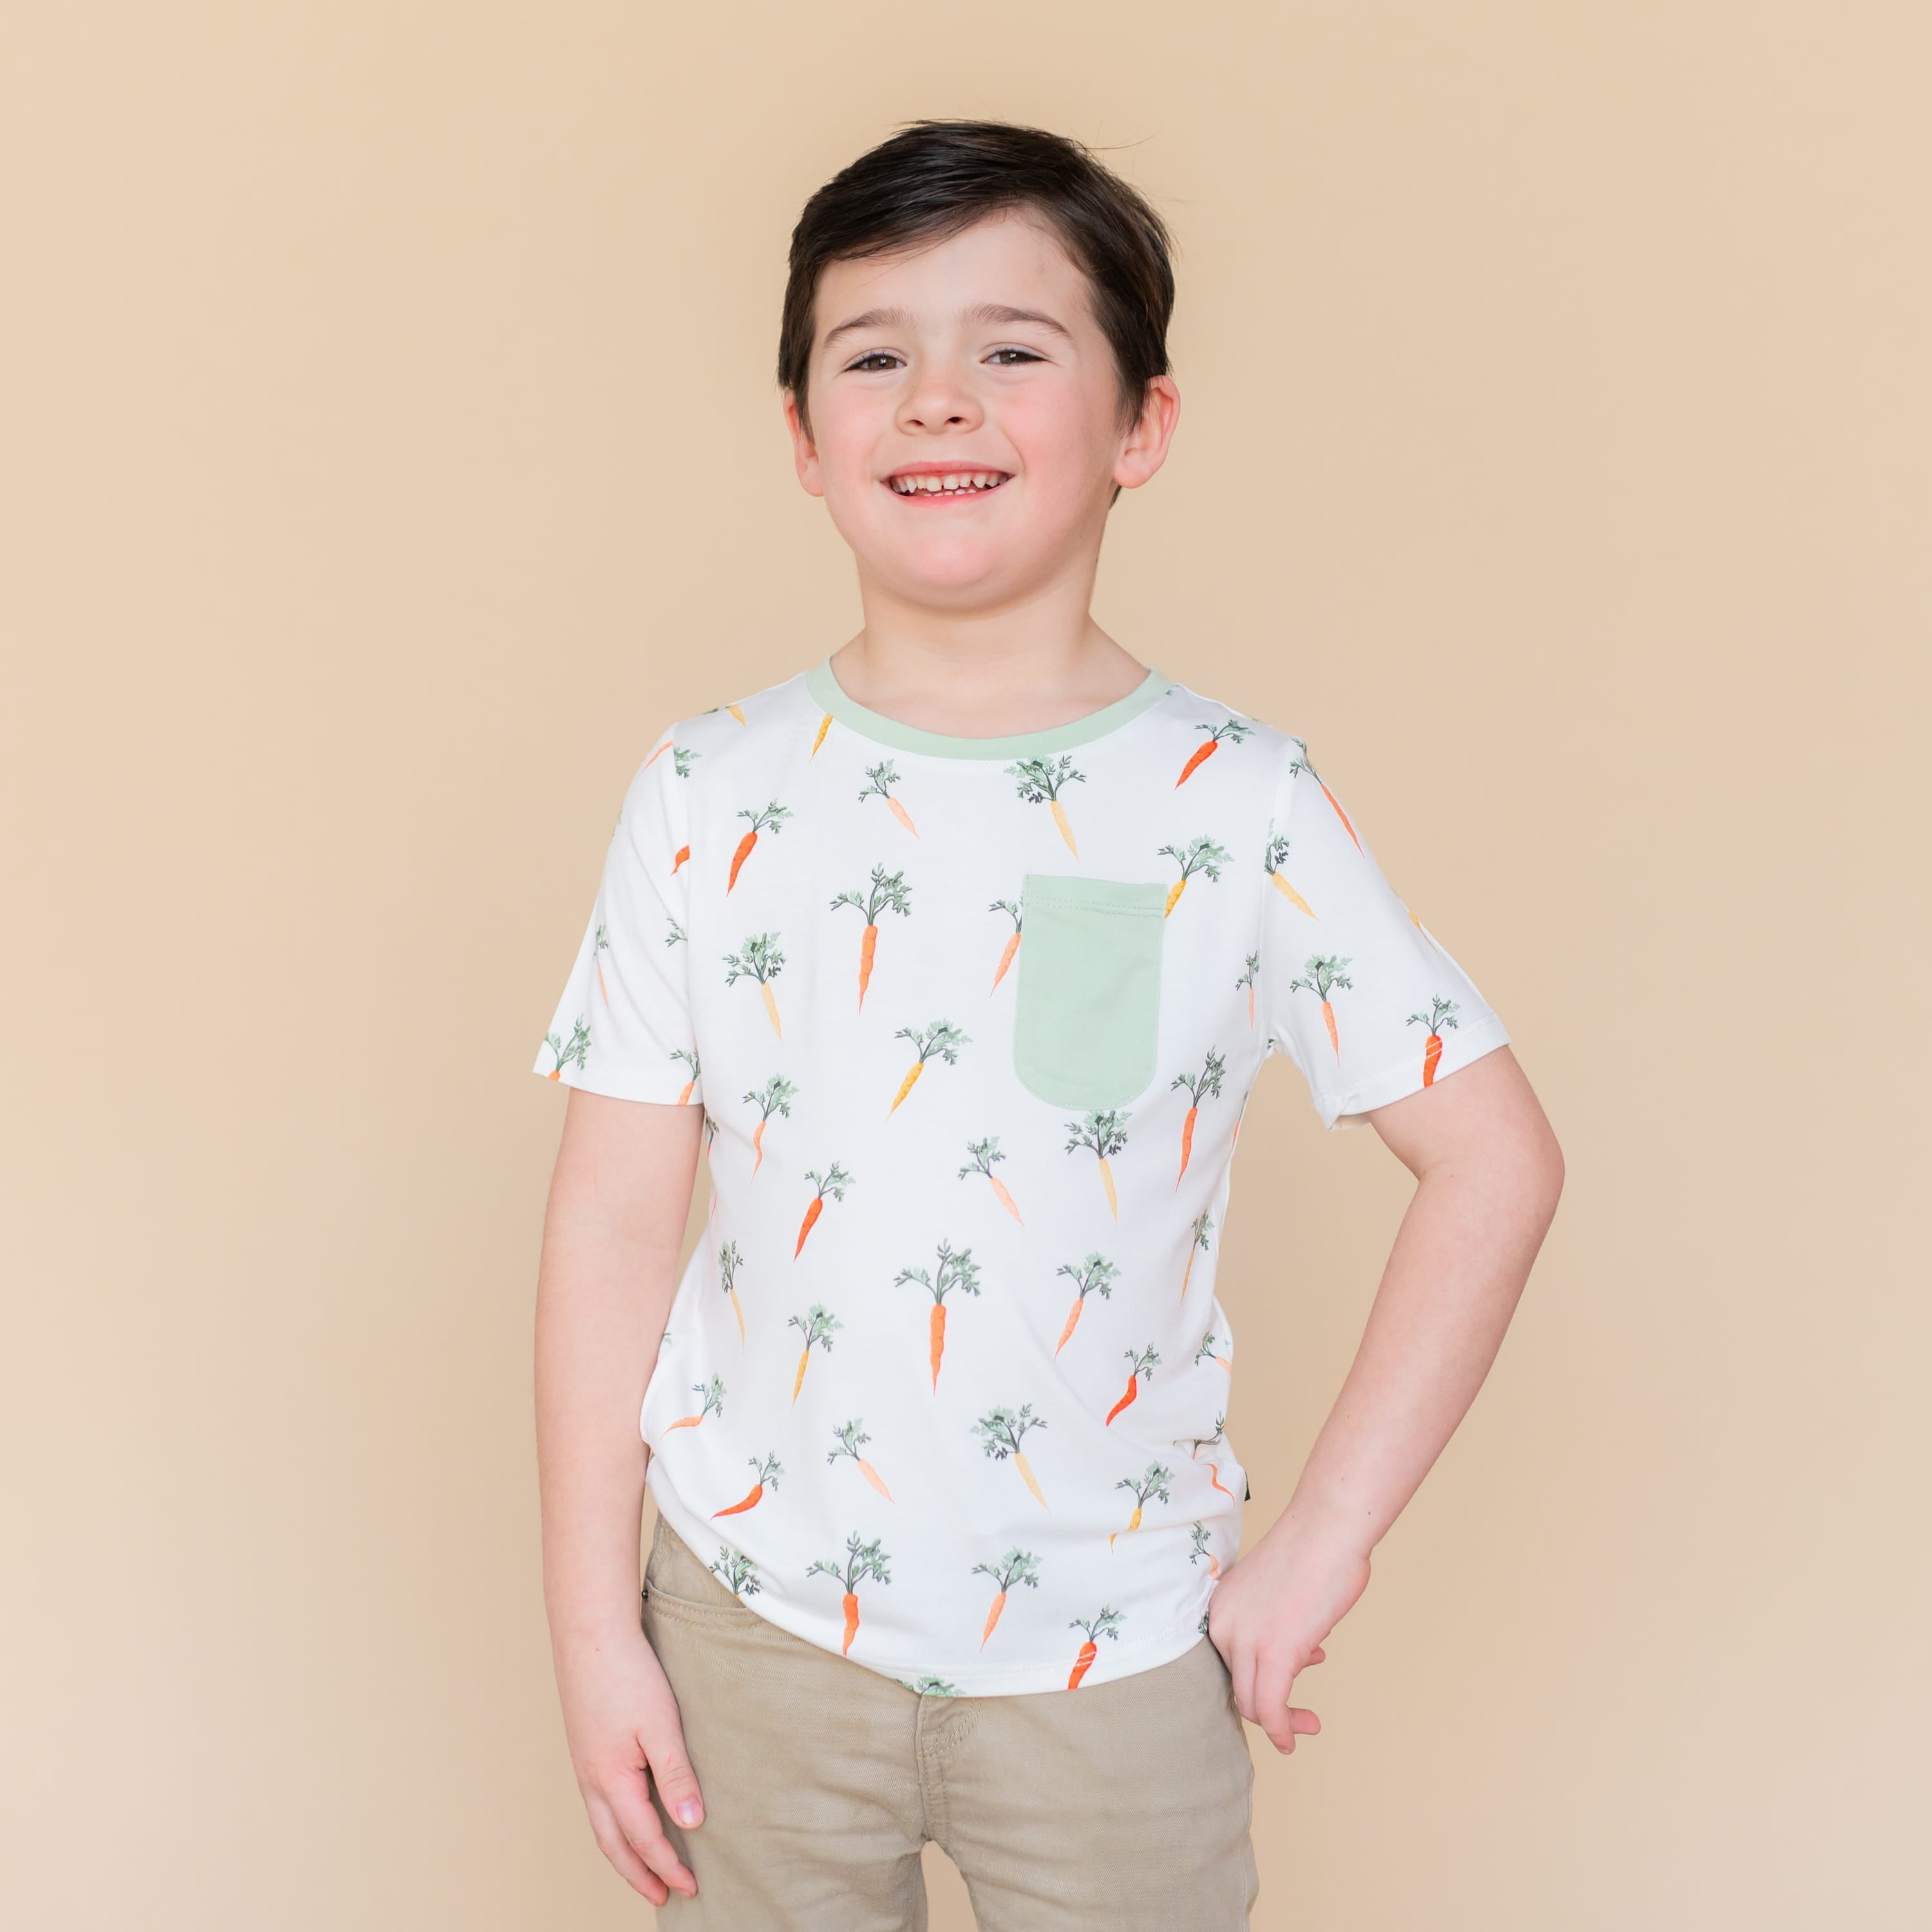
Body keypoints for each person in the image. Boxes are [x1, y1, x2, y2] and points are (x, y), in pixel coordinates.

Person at [531, 118, 1564, 1930]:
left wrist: (1323, 1540)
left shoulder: (1233, 801)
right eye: (876, 356)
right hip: (746, 1636)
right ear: (803, 438)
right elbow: (613, 1222)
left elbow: (1493, 1157)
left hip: (1118, 1657)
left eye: (1013, 348)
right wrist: (592, 1628)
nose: (940, 400)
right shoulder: (707, 790)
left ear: (1142, 425)